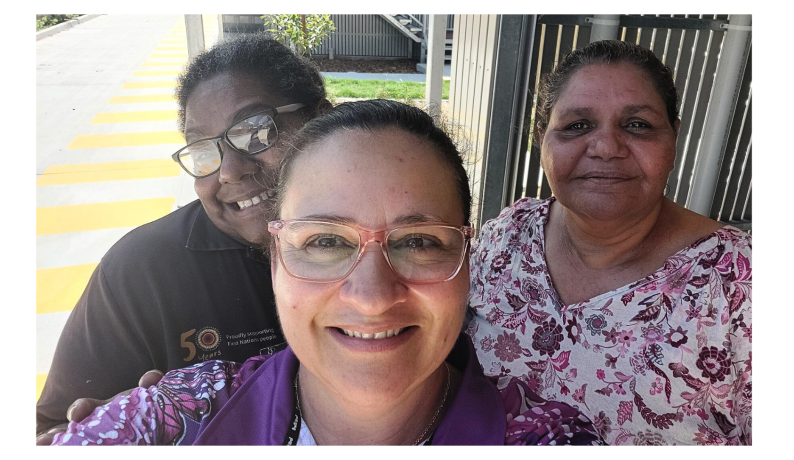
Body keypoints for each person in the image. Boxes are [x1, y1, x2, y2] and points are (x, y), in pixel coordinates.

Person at [52, 100, 604, 446]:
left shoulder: (549, 438)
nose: (372, 296)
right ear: (275, 259)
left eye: (418, 241)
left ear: (467, 260)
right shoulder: (176, 419)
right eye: (324, 241)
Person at [36, 33, 331, 442]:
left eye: (256, 131)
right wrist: (120, 428)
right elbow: (49, 429)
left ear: (320, 122)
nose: (229, 171)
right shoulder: (141, 272)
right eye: (204, 150)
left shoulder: (390, 238)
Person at [466, 40, 752, 445]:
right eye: (577, 125)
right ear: (542, 138)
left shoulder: (742, 285)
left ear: (673, 138)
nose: (606, 148)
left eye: (637, 125)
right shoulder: (508, 236)